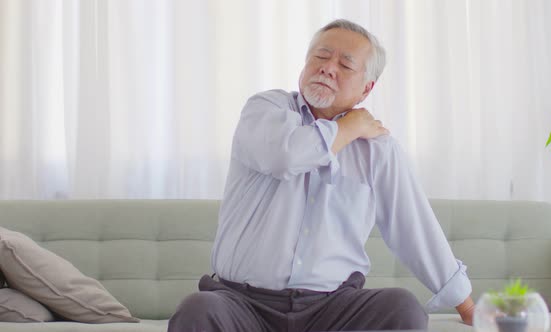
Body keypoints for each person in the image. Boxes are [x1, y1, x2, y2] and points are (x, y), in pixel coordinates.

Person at [168, 19, 475, 332]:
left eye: (345, 64)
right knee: (198, 309)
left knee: (402, 308)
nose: (328, 68)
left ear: (366, 89)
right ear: (304, 65)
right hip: (241, 303)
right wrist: (348, 127)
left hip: (332, 309)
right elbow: (286, 156)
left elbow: (413, 226)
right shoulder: (266, 110)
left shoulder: (378, 149)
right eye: (321, 56)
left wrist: (467, 305)